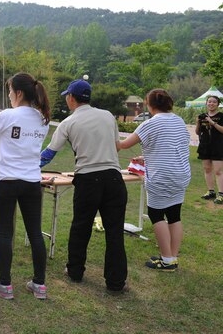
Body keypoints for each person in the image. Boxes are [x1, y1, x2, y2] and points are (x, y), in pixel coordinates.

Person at [40, 79, 128, 293]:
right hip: (115, 179)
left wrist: (26, 166)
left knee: (81, 227)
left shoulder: (68, 123)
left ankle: (75, 271)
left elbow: (48, 154)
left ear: (71, 98)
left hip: (88, 181)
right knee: (115, 232)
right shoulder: (107, 116)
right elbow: (116, 146)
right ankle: (116, 283)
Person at [0, 73, 51, 300]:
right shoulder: (42, 118)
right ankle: (39, 284)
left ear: (19, 93)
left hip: (6, 181)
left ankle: (5, 285)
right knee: (35, 232)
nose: (8, 95)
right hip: (32, 182)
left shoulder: (7, 115)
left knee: (5, 233)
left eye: (9, 91)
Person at [117, 89, 190, 271]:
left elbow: (124, 145)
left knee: (156, 215)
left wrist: (105, 135)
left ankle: (166, 259)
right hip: (181, 173)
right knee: (174, 215)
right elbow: (170, 146)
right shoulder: (179, 121)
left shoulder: (150, 124)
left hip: (162, 176)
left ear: (149, 105)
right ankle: (172, 257)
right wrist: (147, 156)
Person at [195, 95, 223, 204]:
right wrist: (198, 122)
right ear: (206, 103)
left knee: (218, 171)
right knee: (207, 169)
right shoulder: (202, 116)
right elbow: (198, 132)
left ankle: (221, 194)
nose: (211, 104)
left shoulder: (221, 116)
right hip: (205, 146)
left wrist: (212, 123)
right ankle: (211, 192)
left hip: (218, 146)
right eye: (209, 102)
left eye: (214, 102)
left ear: (218, 104)